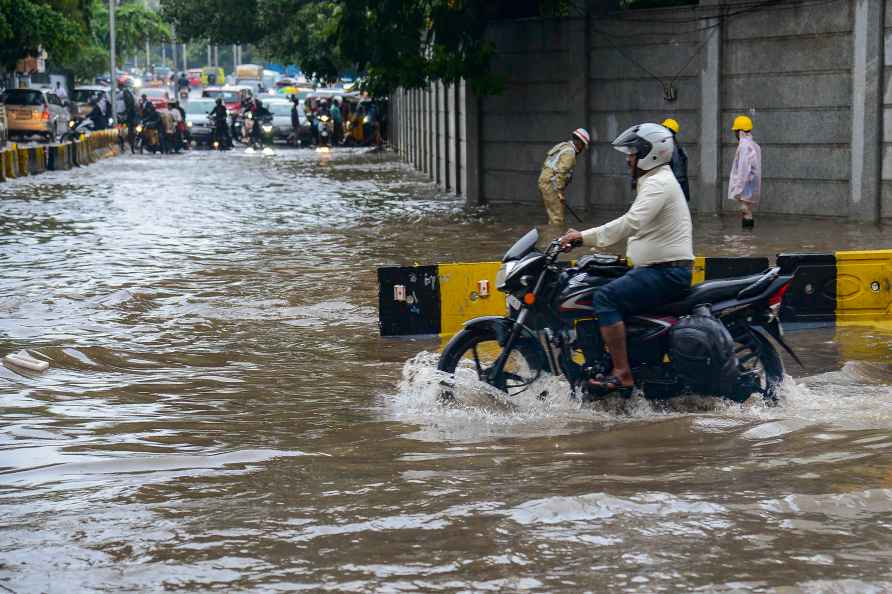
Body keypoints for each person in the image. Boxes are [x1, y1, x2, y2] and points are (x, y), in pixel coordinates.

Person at [559, 123, 693, 394]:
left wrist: (582, 237)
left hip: (667, 273)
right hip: (658, 269)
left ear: (650, 154)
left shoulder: (659, 184)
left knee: (605, 298)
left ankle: (622, 373)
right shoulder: (655, 181)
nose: (628, 158)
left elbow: (630, 223)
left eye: (633, 152)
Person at [538, 128, 590, 225]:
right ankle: (554, 237)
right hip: (552, 184)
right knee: (557, 218)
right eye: (583, 146)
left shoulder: (563, 146)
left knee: (553, 214)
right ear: (580, 143)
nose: (582, 150)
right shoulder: (570, 153)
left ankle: (552, 234)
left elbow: (549, 164)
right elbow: (561, 173)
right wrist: (559, 191)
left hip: (546, 180)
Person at [728, 115, 762, 229]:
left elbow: (743, 169)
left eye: (735, 131)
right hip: (750, 185)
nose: (735, 134)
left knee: (745, 211)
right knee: (747, 211)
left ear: (739, 131)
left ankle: (746, 240)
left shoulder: (744, 146)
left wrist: (738, 189)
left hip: (745, 186)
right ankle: (748, 239)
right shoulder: (753, 145)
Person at [661, 118, 690, 202]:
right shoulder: (678, 146)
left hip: (672, 186)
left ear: (667, 129)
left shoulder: (668, 146)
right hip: (680, 186)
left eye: (663, 127)